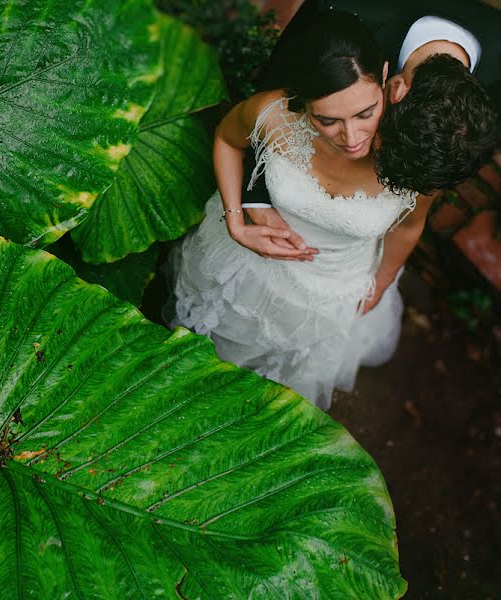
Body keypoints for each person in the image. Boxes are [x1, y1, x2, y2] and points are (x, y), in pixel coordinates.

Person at [170, 10, 434, 410]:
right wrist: (236, 220)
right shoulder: (274, 114)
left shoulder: (415, 149)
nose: (352, 137)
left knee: (278, 385)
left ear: (385, 77)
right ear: (302, 100)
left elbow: (409, 226)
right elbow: (228, 139)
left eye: (366, 113)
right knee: (209, 350)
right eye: (327, 120)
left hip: (332, 288)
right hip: (247, 268)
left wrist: (381, 282)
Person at [239, 0, 498, 262]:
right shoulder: (340, 12)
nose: (355, 142)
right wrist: (254, 200)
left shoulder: (485, 99)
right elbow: (267, 104)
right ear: (395, 88)